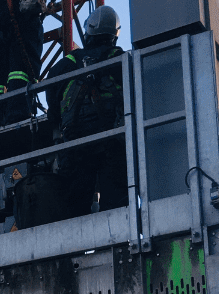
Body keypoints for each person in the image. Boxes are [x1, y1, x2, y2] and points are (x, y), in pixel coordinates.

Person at [46, 6, 128, 215]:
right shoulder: (122, 61)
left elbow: (53, 110)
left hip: (75, 144)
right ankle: (117, 246)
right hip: (113, 141)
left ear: (88, 31)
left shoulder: (66, 65)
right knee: (116, 206)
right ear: (114, 35)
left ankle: (76, 247)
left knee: (74, 207)